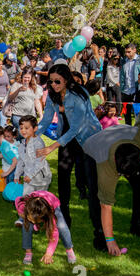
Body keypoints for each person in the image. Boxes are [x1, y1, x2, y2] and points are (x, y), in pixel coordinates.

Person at [35, 64, 104, 251]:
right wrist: (32, 134)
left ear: (67, 79)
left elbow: (77, 127)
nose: (54, 84)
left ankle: (100, 231)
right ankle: (63, 221)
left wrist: (51, 147)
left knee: (93, 185)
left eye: (57, 81)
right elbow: (47, 118)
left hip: (88, 138)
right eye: (50, 81)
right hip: (67, 139)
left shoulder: (79, 93)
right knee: (63, 181)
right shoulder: (52, 94)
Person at [82, 121, 140, 256]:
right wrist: (110, 240)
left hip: (126, 138)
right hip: (94, 149)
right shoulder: (105, 165)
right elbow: (106, 206)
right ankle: (101, 235)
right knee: (97, 195)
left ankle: (139, 226)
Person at [15, 191, 76, 265]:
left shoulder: (50, 215)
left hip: (52, 203)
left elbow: (54, 235)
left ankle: (69, 249)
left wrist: (49, 253)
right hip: (35, 203)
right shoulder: (24, 205)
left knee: (62, 226)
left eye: (35, 221)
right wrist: (20, 213)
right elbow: (17, 199)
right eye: (31, 219)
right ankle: (28, 252)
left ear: (44, 218)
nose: (33, 222)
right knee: (26, 226)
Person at [14, 115, 52, 196]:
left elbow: (40, 162)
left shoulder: (38, 143)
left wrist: (31, 175)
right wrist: (17, 175)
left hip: (41, 179)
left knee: (40, 201)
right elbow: (21, 161)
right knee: (27, 198)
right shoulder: (22, 144)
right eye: (21, 128)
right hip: (28, 178)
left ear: (35, 128)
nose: (23, 131)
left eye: (26, 128)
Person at [8, 66, 43, 136]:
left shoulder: (35, 87)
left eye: (28, 77)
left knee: (29, 136)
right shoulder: (16, 85)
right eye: (25, 77)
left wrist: (41, 114)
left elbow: (36, 101)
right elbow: (10, 98)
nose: (26, 79)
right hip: (18, 115)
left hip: (31, 116)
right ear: (22, 76)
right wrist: (18, 90)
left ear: (32, 77)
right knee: (23, 135)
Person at [120, 43, 140, 125]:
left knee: (138, 113)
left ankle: (138, 130)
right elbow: (122, 75)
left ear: (134, 50)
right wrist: (121, 88)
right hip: (126, 91)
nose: (127, 54)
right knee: (126, 114)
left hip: (137, 90)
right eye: (126, 52)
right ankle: (127, 130)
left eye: (129, 52)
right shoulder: (124, 60)